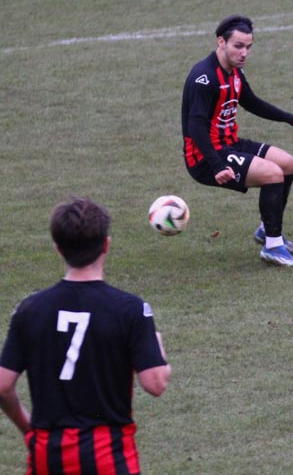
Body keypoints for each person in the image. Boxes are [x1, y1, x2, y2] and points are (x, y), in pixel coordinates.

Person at [0, 197, 171, 475]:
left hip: (47, 455)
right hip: (108, 456)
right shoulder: (129, 309)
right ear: (106, 245)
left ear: (58, 249)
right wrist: (158, 347)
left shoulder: (29, 309)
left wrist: (27, 428)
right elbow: (155, 383)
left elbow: (2, 385)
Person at [181, 14, 293, 266]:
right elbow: (194, 127)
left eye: (248, 47)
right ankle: (273, 247)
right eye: (238, 46)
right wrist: (217, 165)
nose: (244, 53)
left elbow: (250, 101)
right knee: (272, 174)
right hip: (205, 156)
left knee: (288, 164)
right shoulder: (204, 77)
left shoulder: (234, 72)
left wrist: (288, 118)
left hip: (229, 144)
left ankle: (267, 229)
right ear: (221, 42)